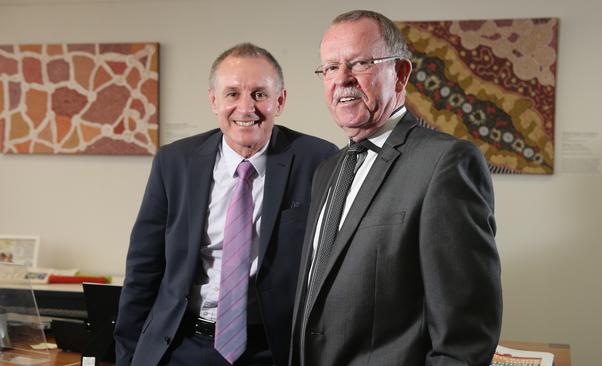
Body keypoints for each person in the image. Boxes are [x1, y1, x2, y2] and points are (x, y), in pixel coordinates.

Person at [289, 10, 502, 366]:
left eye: (359, 63)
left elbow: (464, 340)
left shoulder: (445, 163)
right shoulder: (328, 168)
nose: (342, 79)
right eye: (330, 67)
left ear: (400, 74)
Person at [114, 43, 338, 366]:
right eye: (232, 94)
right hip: (183, 345)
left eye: (259, 94)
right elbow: (143, 269)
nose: (246, 108)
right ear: (214, 100)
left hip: (271, 349)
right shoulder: (175, 162)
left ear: (280, 101)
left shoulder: (318, 159)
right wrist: (128, 357)